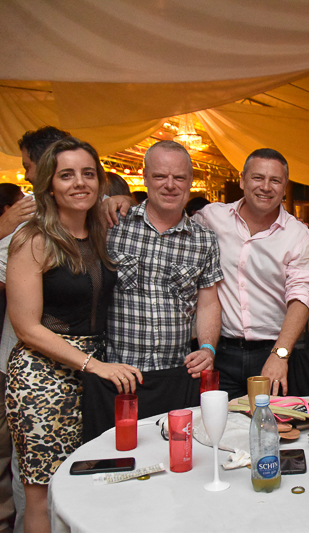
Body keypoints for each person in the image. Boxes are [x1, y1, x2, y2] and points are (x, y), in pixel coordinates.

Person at [5, 137, 143, 533]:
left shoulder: (98, 232)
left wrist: (124, 200)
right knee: (43, 493)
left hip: (93, 377)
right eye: (66, 175)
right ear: (49, 185)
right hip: (43, 378)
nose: (79, 182)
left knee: (89, 484)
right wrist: (94, 365)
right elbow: (26, 327)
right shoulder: (33, 239)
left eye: (88, 174)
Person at [104, 140, 222, 407]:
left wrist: (207, 348)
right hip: (118, 375)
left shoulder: (204, 240)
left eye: (179, 177)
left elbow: (208, 303)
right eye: (160, 176)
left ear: (190, 181)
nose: (170, 185)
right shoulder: (113, 226)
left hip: (177, 374)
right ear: (145, 177)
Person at [192, 149, 309, 397]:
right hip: (219, 354)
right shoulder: (211, 218)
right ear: (242, 180)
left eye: (275, 180)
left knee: (271, 421)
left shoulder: (298, 236)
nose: (265, 187)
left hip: (272, 353)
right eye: (258, 177)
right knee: (215, 420)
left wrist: (280, 354)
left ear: (284, 187)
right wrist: (117, 201)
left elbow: (301, 298)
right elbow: (172, 222)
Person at [0, 126, 68, 533]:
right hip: (33, 369)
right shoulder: (27, 227)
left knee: (68, 476)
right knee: (35, 483)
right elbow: (27, 325)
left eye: (28, 165)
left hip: (78, 371)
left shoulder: (92, 222)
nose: (25, 175)